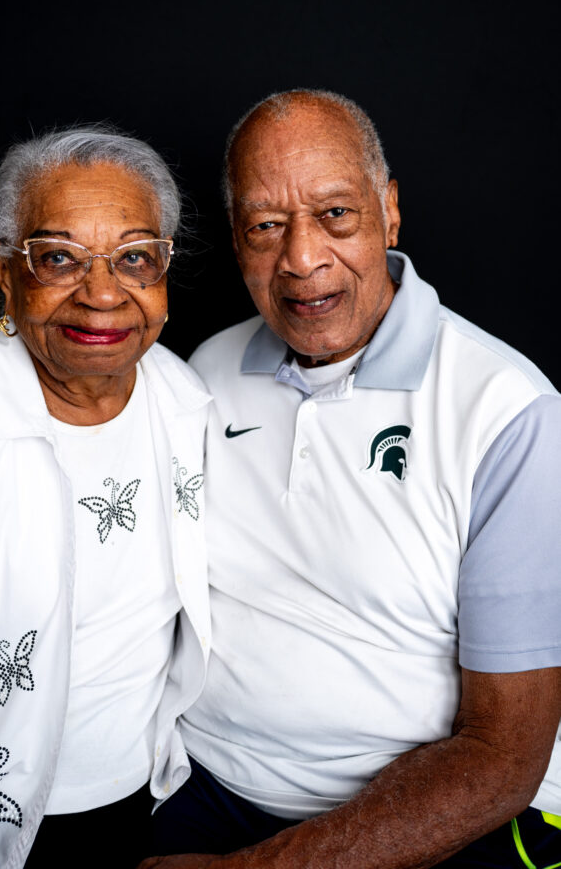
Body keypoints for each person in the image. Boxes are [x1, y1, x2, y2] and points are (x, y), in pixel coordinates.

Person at [143, 91, 561, 868]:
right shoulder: (202, 374)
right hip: (204, 789)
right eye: (266, 226)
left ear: (389, 211)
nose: (300, 258)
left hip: (427, 819)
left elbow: (504, 759)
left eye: (334, 214)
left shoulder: (508, 413)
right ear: (236, 240)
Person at [0, 127, 211, 869]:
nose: (101, 293)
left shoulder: (185, 399)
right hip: (6, 831)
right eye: (58, 257)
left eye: (134, 257)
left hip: (161, 795)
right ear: (5, 272)